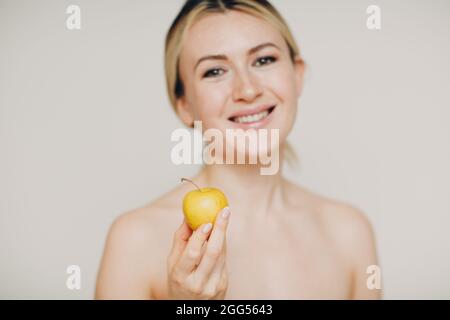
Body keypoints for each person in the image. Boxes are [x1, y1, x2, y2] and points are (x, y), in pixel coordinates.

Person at [95, 0, 381, 299]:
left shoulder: (349, 232)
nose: (247, 90)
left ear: (297, 75)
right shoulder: (134, 240)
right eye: (215, 71)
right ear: (184, 105)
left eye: (263, 60)